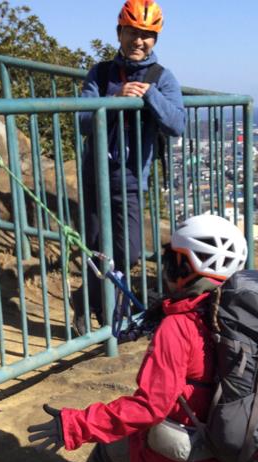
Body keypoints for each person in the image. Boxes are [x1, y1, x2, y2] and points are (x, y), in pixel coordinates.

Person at [30, 213, 248, 462]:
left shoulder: (180, 327)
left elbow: (149, 406)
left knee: (110, 451)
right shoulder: (236, 319)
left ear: (186, 267)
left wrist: (75, 425)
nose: (165, 267)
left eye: (172, 259)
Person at [73, 0, 186, 333]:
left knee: (131, 251)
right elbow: (82, 120)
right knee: (96, 245)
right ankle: (97, 308)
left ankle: (97, 302)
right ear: (119, 33)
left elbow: (176, 124)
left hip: (132, 177)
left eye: (147, 35)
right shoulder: (101, 73)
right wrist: (114, 100)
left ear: (155, 39)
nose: (139, 41)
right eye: (132, 32)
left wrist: (150, 96)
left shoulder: (162, 78)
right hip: (95, 173)